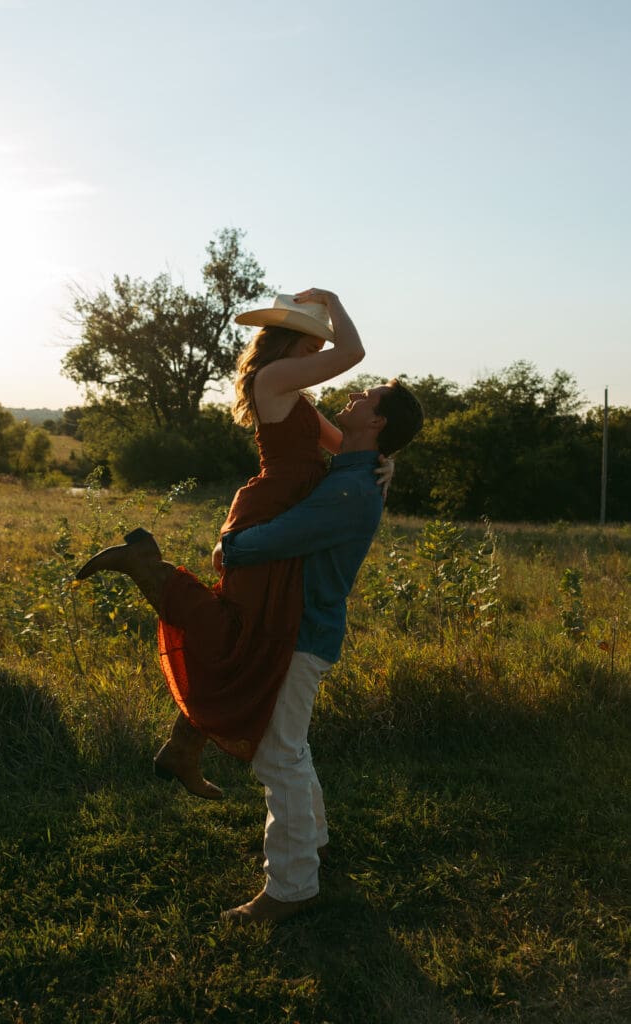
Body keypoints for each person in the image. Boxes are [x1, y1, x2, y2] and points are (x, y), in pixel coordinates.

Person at [76, 378, 424, 923]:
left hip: (299, 634)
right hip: (297, 627)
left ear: (377, 423)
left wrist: (229, 546)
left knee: (277, 757)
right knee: (291, 746)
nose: (353, 397)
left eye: (366, 398)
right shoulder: (355, 474)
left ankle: (291, 888)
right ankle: (313, 842)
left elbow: (284, 534)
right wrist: (388, 464)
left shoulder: (352, 489)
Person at [77, 290, 393, 800]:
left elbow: (345, 447)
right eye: (314, 350)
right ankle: (145, 567)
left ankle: (182, 749)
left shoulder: (294, 390)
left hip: (289, 516)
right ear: (294, 341)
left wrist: (384, 463)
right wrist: (333, 299)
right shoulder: (273, 378)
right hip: (271, 513)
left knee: (247, 635)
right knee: (237, 631)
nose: (319, 361)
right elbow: (354, 354)